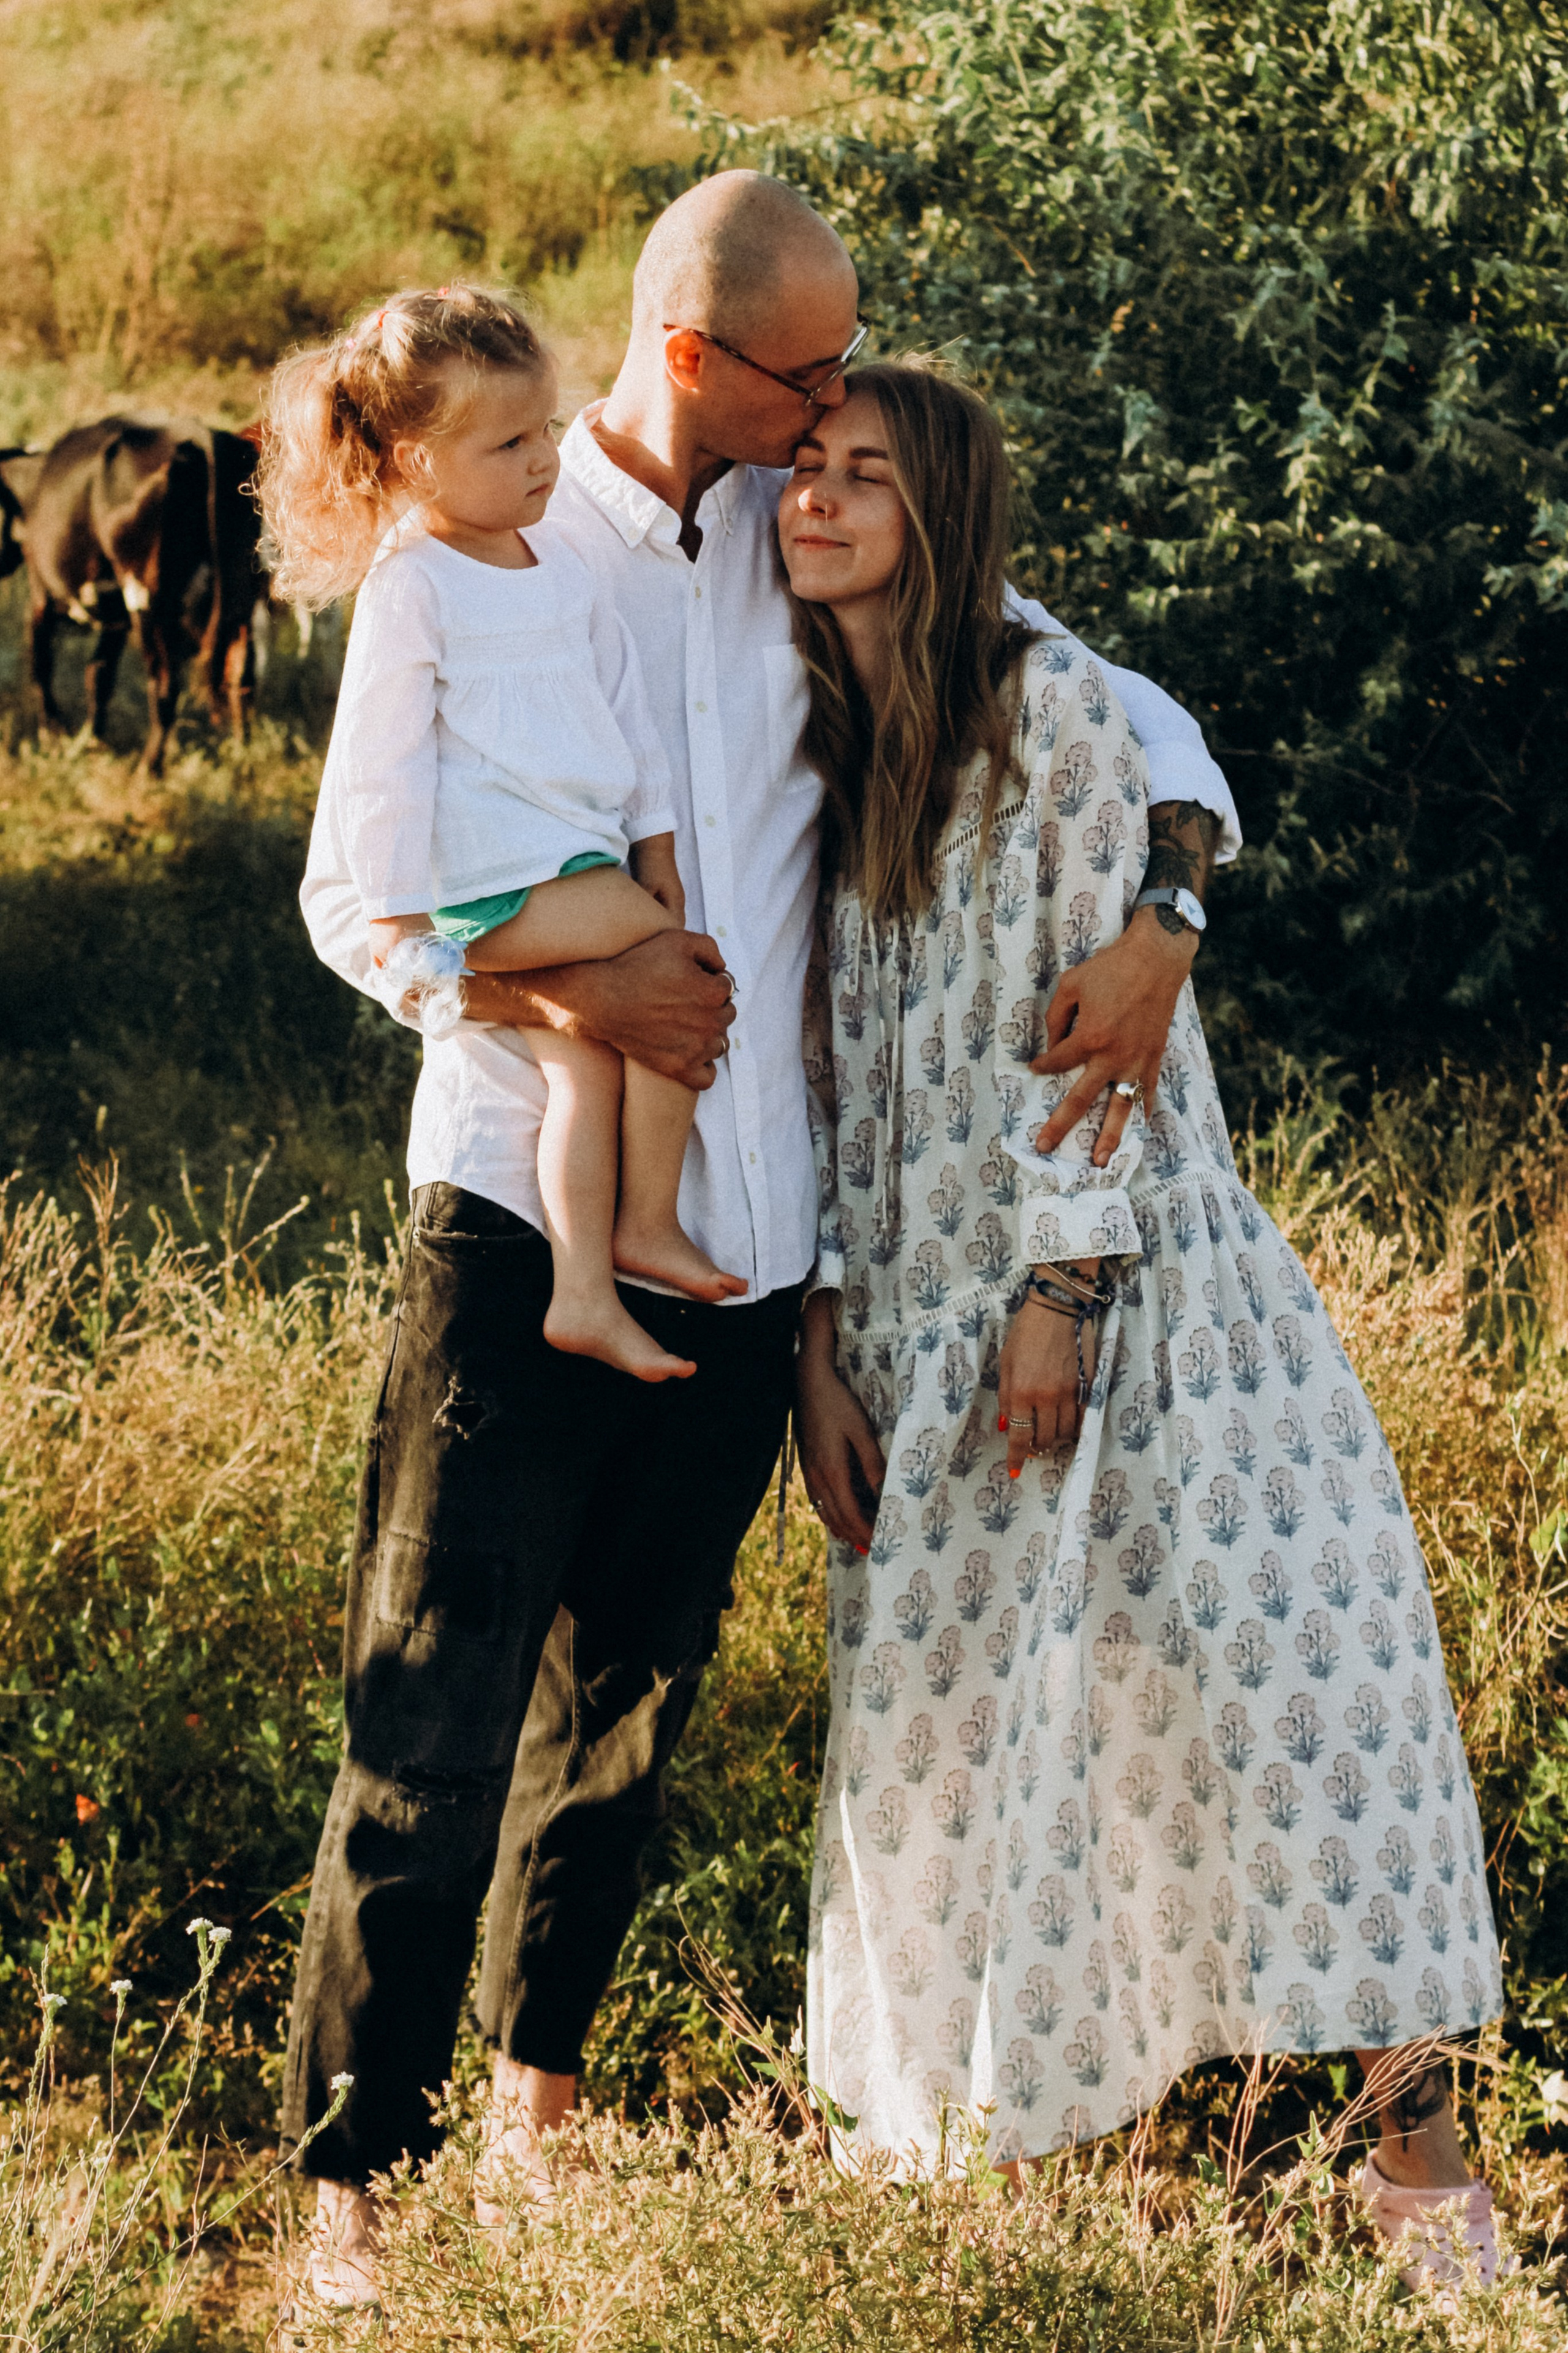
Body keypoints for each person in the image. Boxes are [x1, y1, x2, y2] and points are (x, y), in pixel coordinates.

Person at [285, 172, 1242, 2310]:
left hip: (762, 1251)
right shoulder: (484, 552)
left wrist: (1170, 918)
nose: (839, 411)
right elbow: (353, 903)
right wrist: (557, 999)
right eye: (807, 374)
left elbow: (1144, 722)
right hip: (522, 1210)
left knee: (632, 1705)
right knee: (432, 1709)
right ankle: (355, 2187)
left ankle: (537, 2123)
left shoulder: (812, 547)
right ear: (695, 354)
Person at [786, 362, 1507, 2292]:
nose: (820, 497)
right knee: (950, 1752)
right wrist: (819, 1343)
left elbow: (1097, 1051)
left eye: (867, 475)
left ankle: (1423, 2165)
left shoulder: (1046, 712)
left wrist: (1062, 1287)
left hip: (1134, 1301)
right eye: (805, 465)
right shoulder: (821, 743)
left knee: (1293, 1691)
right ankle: (993, 2191)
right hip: (913, 1333)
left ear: (946, 525)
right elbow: (831, 1086)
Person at [259, 284, 746, 1383]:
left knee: (587, 1063)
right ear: (416, 462)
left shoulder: (562, 561)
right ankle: (648, 1221)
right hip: (485, 890)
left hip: (565, 865)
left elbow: (630, 721)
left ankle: (592, 1281)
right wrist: (395, 921)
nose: (544, 460)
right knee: (680, 968)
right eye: (510, 442)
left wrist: (658, 847)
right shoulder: (414, 584)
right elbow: (380, 768)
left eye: (548, 429)